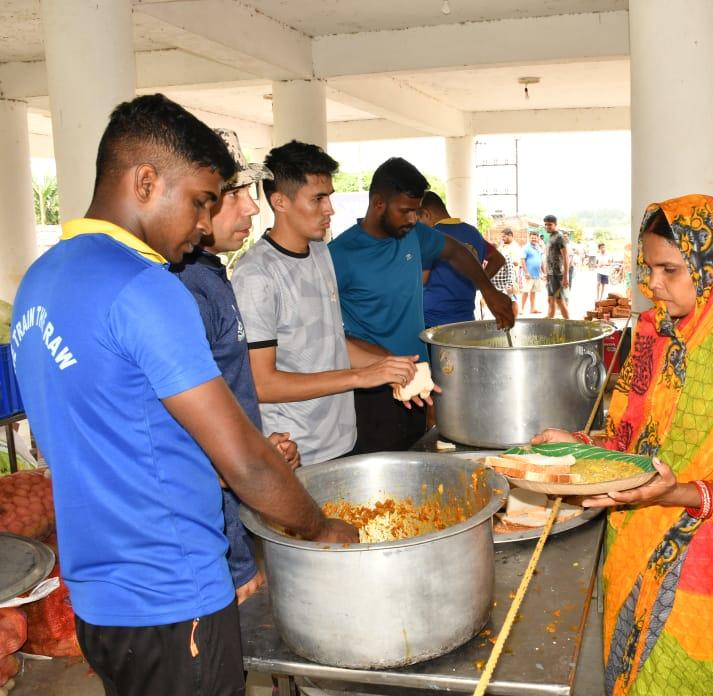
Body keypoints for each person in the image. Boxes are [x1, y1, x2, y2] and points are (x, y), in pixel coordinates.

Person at [9, 94, 356, 696]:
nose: (204, 223)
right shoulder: (149, 288)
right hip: (174, 595)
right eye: (200, 200)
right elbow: (243, 461)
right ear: (146, 181)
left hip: (97, 599)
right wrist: (319, 528)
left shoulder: (41, 279)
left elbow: (89, 430)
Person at [532, 194, 713, 695]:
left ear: (712, 267)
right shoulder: (652, 336)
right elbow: (632, 443)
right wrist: (576, 446)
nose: (651, 285)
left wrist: (675, 493)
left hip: (702, 557)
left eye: (670, 270)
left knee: (681, 679)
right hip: (631, 536)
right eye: (648, 267)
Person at [170, 128, 300, 605]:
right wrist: (235, 561)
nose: (251, 207)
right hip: (211, 543)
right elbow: (181, 437)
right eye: (232, 194)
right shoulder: (186, 291)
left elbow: (214, 405)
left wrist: (257, 448)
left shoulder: (209, 276)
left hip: (232, 523)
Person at [233, 141, 419, 465]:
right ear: (280, 202)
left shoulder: (320, 252)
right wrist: (361, 377)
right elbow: (262, 383)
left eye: (329, 196)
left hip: (343, 437)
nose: (329, 208)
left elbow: (330, 344)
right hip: (294, 449)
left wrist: (391, 365)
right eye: (318, 198)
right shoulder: (256, 274)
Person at [328, 157, 514, 452]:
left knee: (418, 458)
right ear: (378, 203)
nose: (413, 219)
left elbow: (455, 252)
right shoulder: (339, 255)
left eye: (416, 211)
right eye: (405, 211)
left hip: (419, 381)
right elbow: (327, 333)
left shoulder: (413, 235)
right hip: (373, 391)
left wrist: (488, 290)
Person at [419, 191, 505, 327]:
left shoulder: (431, 236)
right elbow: (498, 259)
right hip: (466, 319)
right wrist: (479, 282)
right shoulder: (473, 233)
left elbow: (422, 279)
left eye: (417, 221)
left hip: (433, 320)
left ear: (426, 214)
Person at [488, 228, 520, 318]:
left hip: (510, 279)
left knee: (512, 300)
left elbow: (515, 264)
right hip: (498, 282)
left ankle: (514, 319)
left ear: (510, 235)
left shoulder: (514, 248)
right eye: (502, 236)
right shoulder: (503, 246)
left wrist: (509, 284)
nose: (502, 238)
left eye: (504, 236)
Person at [543, 214, 570, 318]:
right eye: (545, 225)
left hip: (558, 274)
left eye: (550, 224)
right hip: (550, 274)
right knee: (550, 300)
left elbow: (566, 257)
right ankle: (550, 323)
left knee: (559, 301)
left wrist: (565, 277)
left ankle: (569, 325)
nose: (547, 227)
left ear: (555, 224)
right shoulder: (550, 237)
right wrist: (546, 273)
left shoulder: (560, 237)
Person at [521, 231, 544, 314]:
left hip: (537, 274)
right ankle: (521, 309)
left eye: (535, 237)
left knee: (533, 292)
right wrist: (526, 272)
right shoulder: (526, 248)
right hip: (529, 274)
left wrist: (543, 272)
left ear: (537, 238)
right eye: (532, 237)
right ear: (529, 237)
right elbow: (522, 260)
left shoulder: (538, 248)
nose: (534, 239)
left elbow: (541, 261)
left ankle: (533, 308)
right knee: (525, 291)